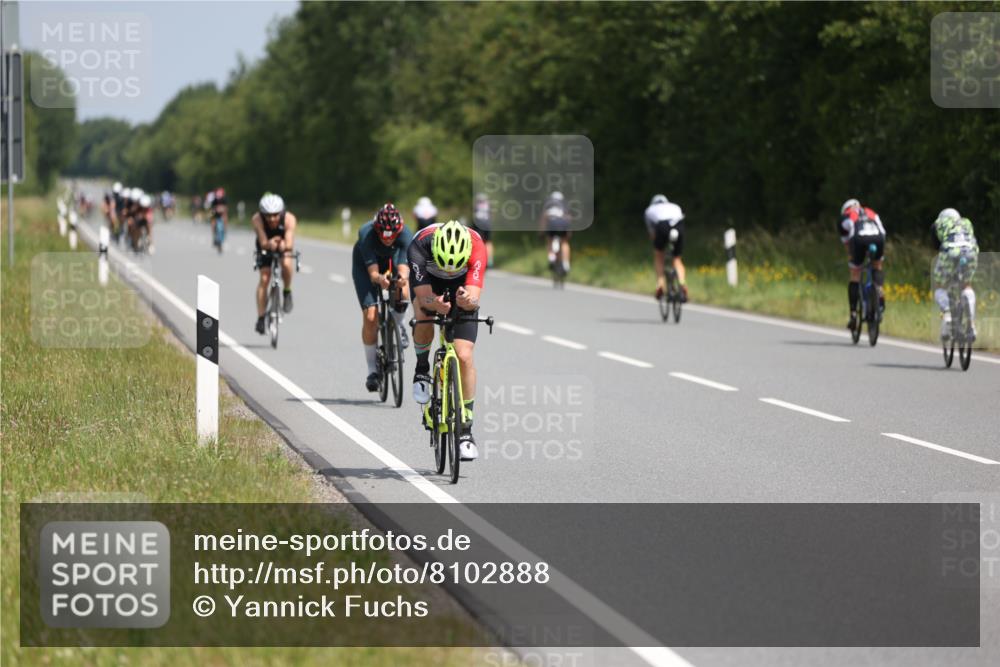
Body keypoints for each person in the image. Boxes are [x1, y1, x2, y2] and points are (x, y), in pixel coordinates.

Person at [408, 220, 487, 461]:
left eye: (456, 265)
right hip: (430, 283)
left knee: (464, 355)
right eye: (447, 265)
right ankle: (422, 369)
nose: (451, 269)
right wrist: (435, 304)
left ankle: (465, 432)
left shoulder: (476, 246)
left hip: (462, 286)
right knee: (423, 316)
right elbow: (423, 298)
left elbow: (474, 298)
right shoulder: (419, 245)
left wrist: (467, 302)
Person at [352, 203, 414, 392]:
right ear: (377, 229)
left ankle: (399, 324)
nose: (387, 239)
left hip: (392, 260)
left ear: (398, 230)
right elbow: (373, 275)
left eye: (392, 235)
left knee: (402, 291)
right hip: (366, 267)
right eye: (383, 235)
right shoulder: (367, 234)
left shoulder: (406, 235)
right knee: (371, 316)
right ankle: (372, 370)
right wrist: (380, 279)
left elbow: (403, 269)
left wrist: (401, 280)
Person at [252, 193, 298, 333]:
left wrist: (283, 245)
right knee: (265, 278)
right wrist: (269, 244)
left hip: (283, 244)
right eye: (268, 215)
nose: (272, 219)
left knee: (285, 263)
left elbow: (289, 243)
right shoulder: (257, 219)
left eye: (275, 215)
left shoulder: (289, 219)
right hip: (265, 245)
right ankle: (260, 318)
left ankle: (287, 291)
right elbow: (263, 241)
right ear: (262, 214)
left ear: (282, 212)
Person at [838, 198, 886, 332]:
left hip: (859, 239)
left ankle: (853, 314)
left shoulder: (845, 216)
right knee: (877, 266)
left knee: (855, 273)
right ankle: (879, 291)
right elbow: (883, 232)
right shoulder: (871, 212)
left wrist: (851, 256)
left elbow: (847, 242)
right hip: (878, 238)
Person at [931, 208, 979, 341]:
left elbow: (937, 246)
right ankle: (971, 323)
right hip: (970, 251)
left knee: (940, 286)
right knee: (966, 285)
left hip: (950, 252)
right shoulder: (966, 222)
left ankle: (947, 314)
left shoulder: (938, 223)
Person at [644, 194, 687, 302]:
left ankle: (660, 285)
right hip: (678, 225)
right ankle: (682, 284)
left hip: (662, 226)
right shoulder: (675, 206)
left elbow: (652, 234)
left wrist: (658, 246)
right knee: (677, 259)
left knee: (659, 256)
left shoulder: (649, 210)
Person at [539, 191, 571, 274]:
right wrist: (569, 232)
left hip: (552, 224)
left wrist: (541, 232)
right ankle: (566, 264)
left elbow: (543, 219)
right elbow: (568, 218)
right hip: (562, 224)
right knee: (564, 242)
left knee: (550, 240)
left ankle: (551, 258)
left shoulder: (548, 204)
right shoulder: (564, 205)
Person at [472, 192, 494, 267]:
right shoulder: (488, 205)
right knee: (488, 242)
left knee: (476, 241)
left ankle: (476, 259)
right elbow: (490, 216)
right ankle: (490, 261)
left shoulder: (476, 205)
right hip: (487, 224)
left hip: (478, 224)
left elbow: (474, 216)